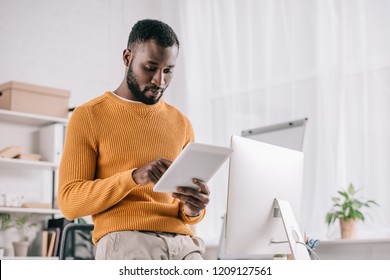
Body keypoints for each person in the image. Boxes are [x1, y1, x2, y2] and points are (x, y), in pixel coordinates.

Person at [58, 19, 210, 260]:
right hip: (128, 241)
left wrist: (193, 209)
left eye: (168, 70)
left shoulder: (181, 123)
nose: (159, 81)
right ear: (127, 58)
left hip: (184, 245)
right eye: (150, 67)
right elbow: (70, 202)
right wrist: (133, 177)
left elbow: (185, 212)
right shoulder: (89, 115)